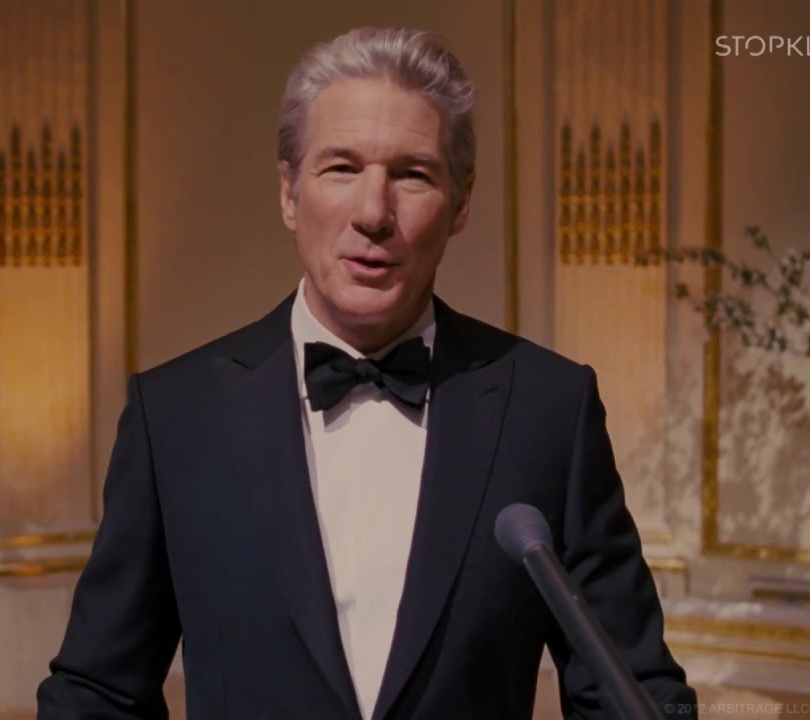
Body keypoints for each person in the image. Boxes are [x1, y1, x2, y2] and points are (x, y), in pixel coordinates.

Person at [37, 26, 696, 720]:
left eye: (413, 175)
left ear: (461, 203)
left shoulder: (549, 410)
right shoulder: (175, 415)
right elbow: (96, 695)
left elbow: (636, 692)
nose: (374, 213)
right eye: (342, 168)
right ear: (289, 193)